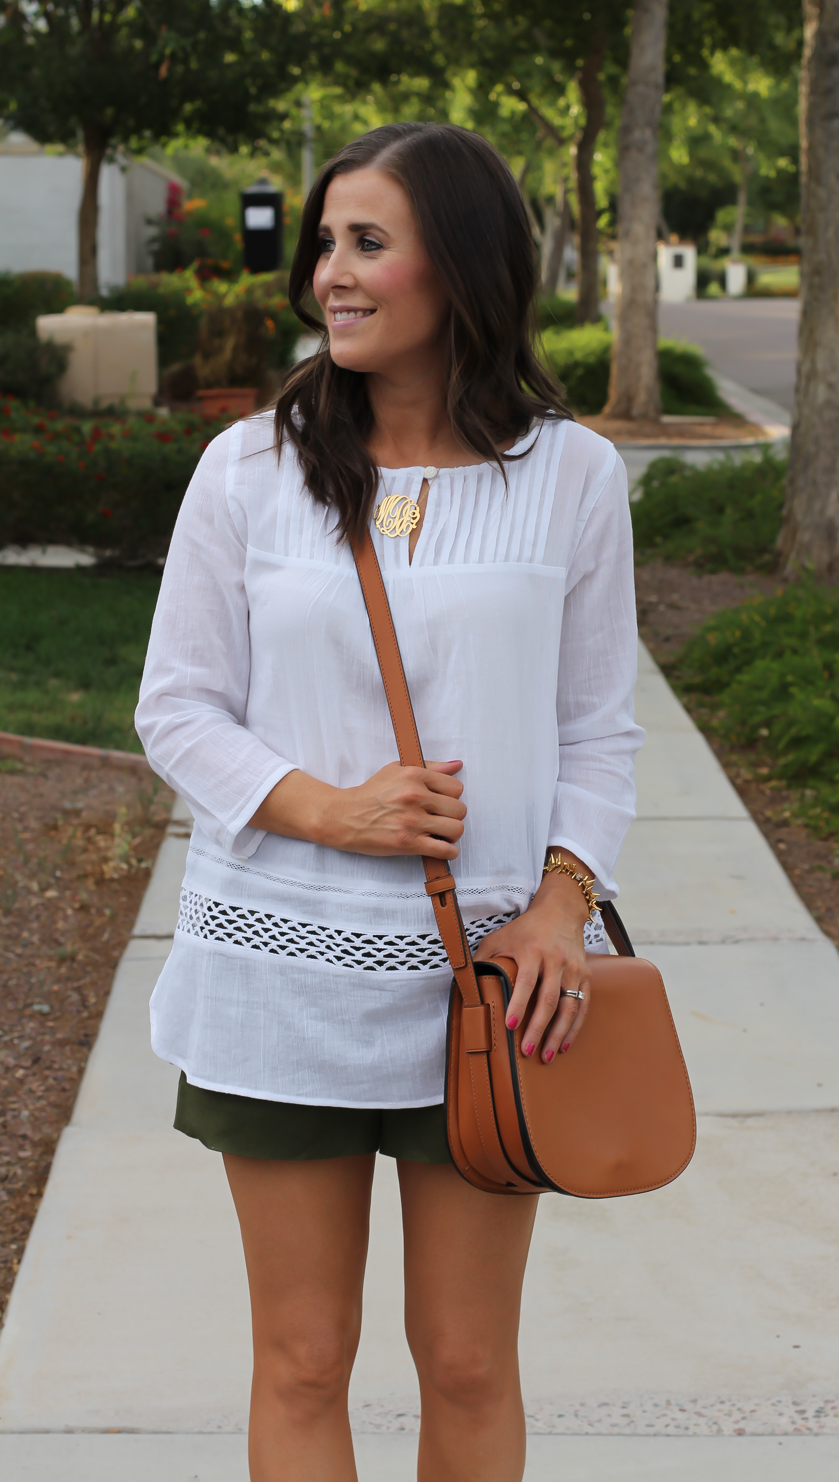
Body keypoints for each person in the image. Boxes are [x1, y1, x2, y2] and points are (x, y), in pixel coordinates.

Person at [135, 121, 643, 1482]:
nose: (330, 276)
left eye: (369, 242)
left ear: (463, 268)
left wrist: (556, 908)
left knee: (469, 1360)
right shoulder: (248, 470)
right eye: (325, 243)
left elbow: (598, 729)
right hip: (278, 974)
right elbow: (173, 706)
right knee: (302, 1357)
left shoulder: (574, 477)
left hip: (491, 987)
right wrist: (327, 809)